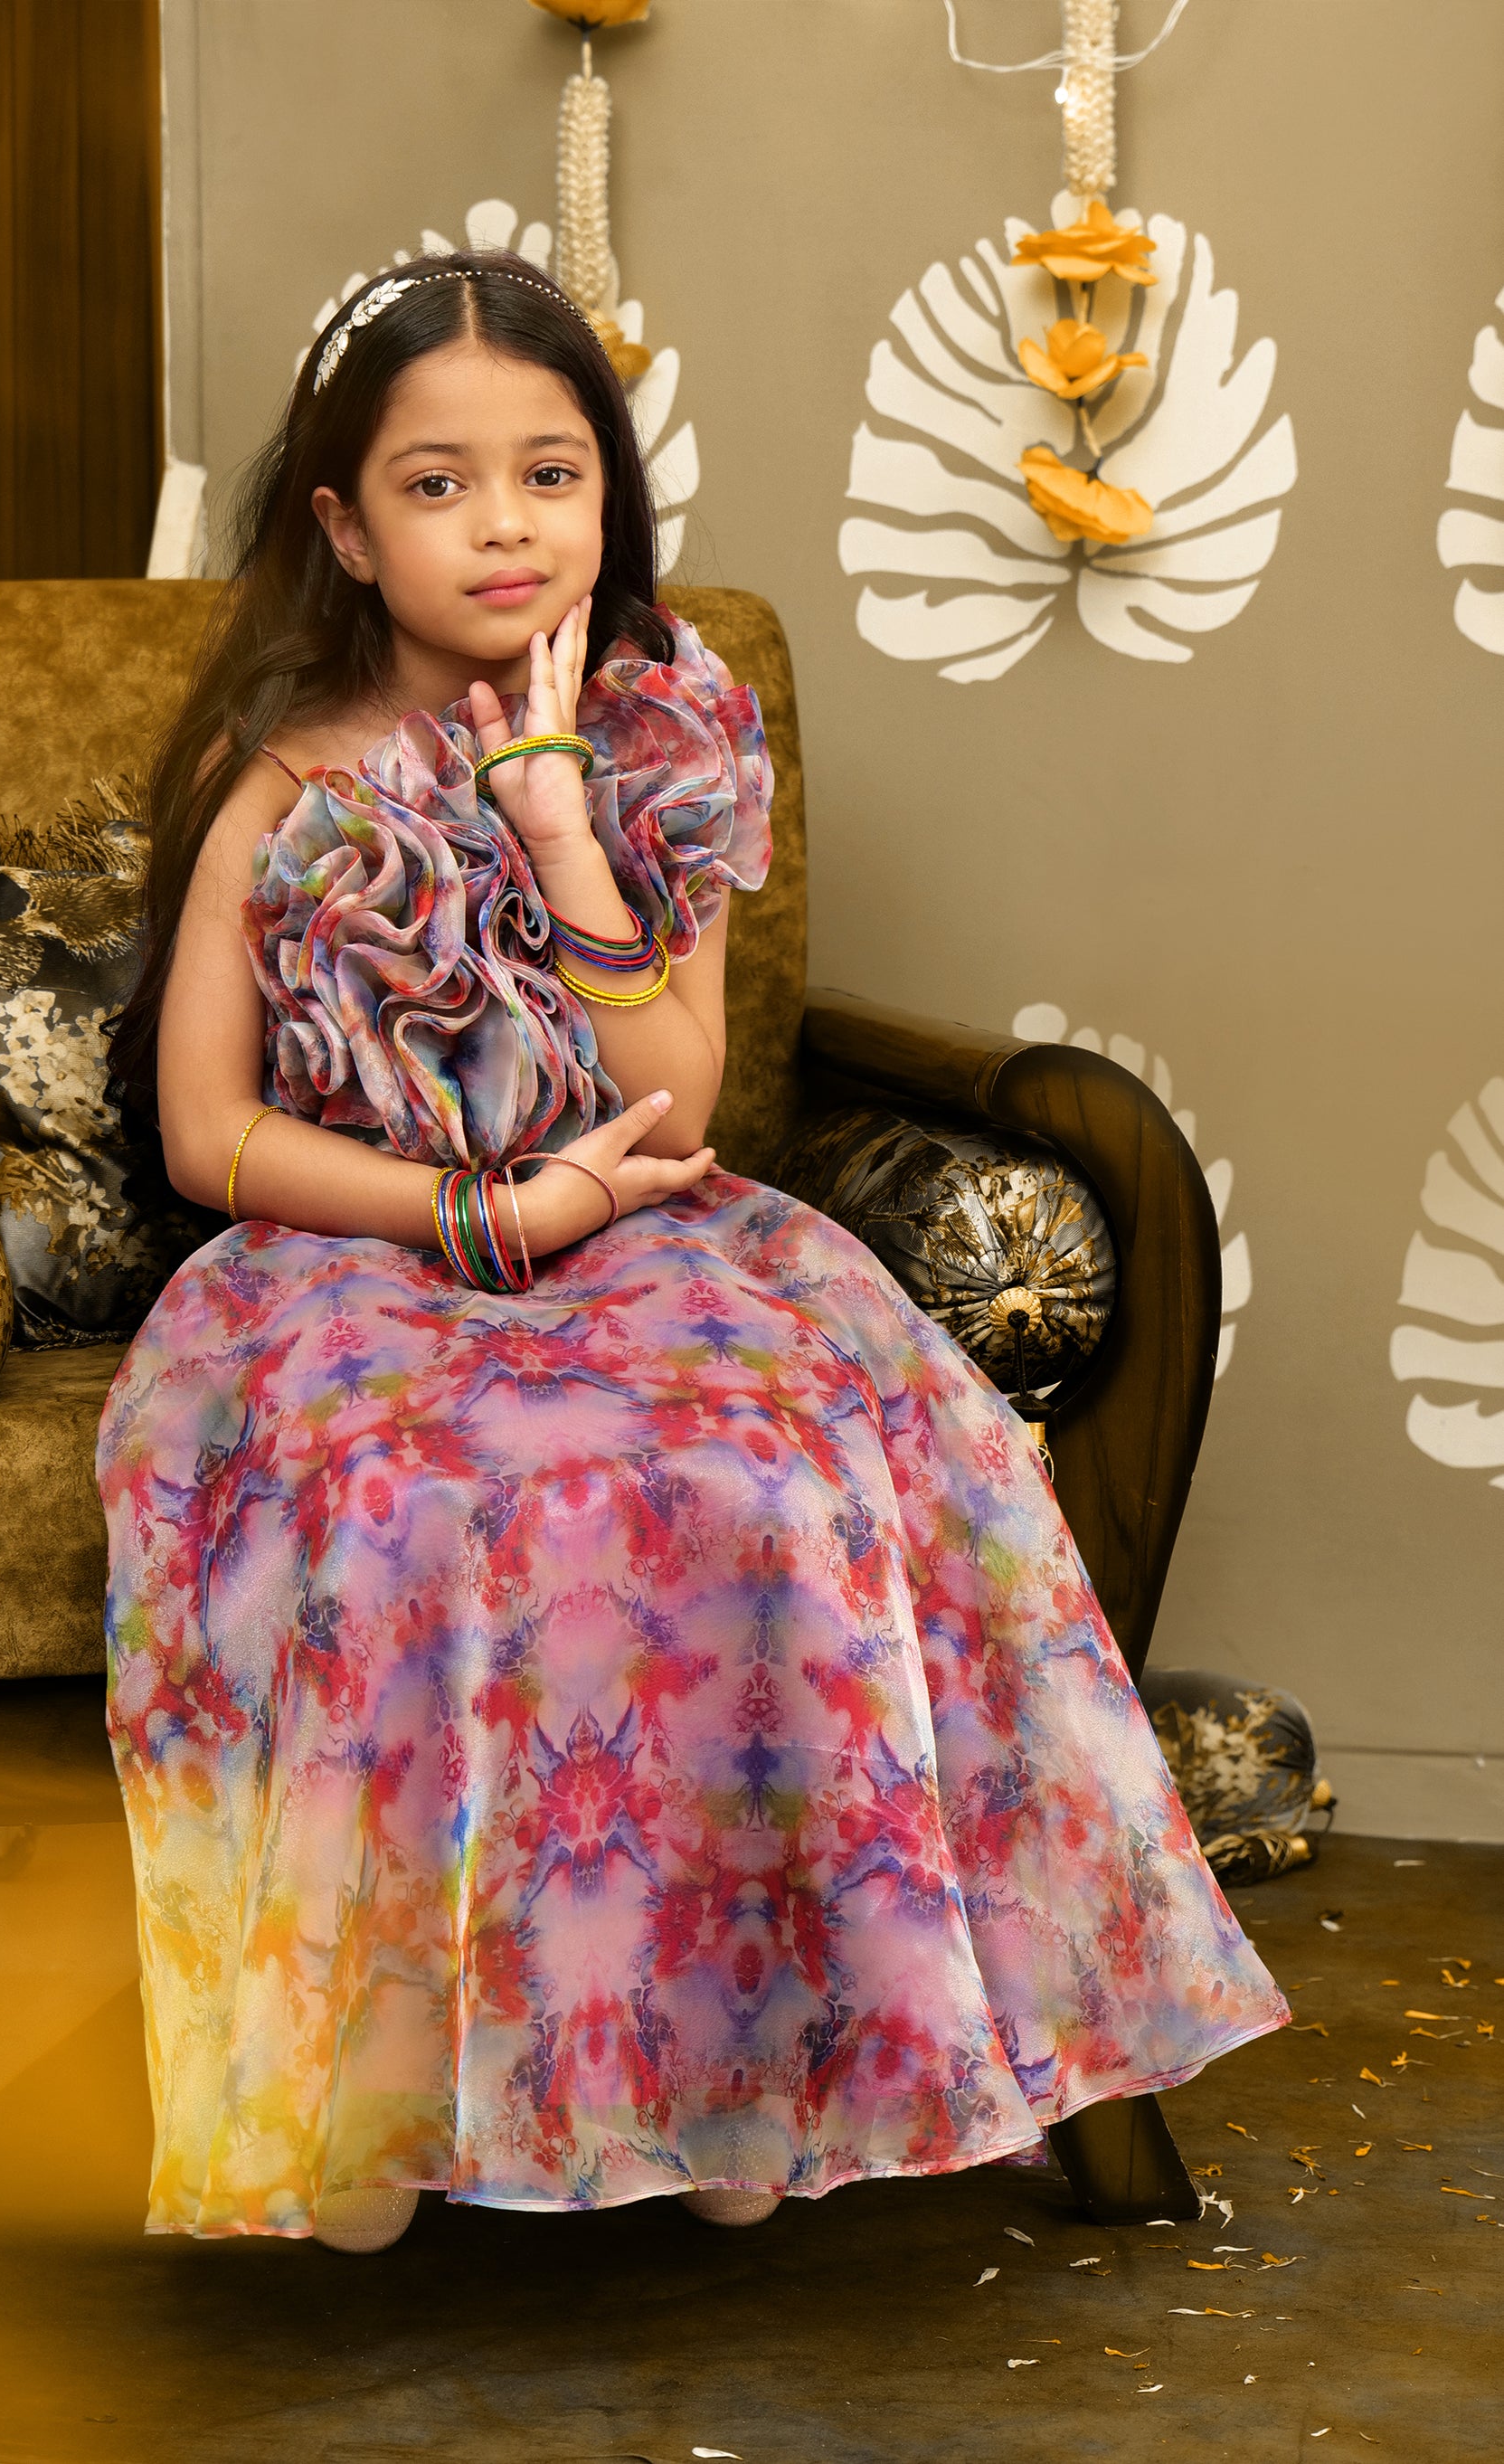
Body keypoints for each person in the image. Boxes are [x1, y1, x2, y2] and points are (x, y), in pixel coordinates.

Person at [99, 250, 1287, 2257]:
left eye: (548, 476)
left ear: (607, 496)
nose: (502, 526)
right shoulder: (279, 772)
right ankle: (382, 2089)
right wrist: (477, 1208)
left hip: (651, 1234)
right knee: (414, 1505)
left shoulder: (662, 732)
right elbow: (208, 1131)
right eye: (438, 484)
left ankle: (742, 2063)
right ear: (343, 524)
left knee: (760, 1479)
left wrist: (558, 825)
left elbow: (682, 1084)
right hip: (350, 1259)